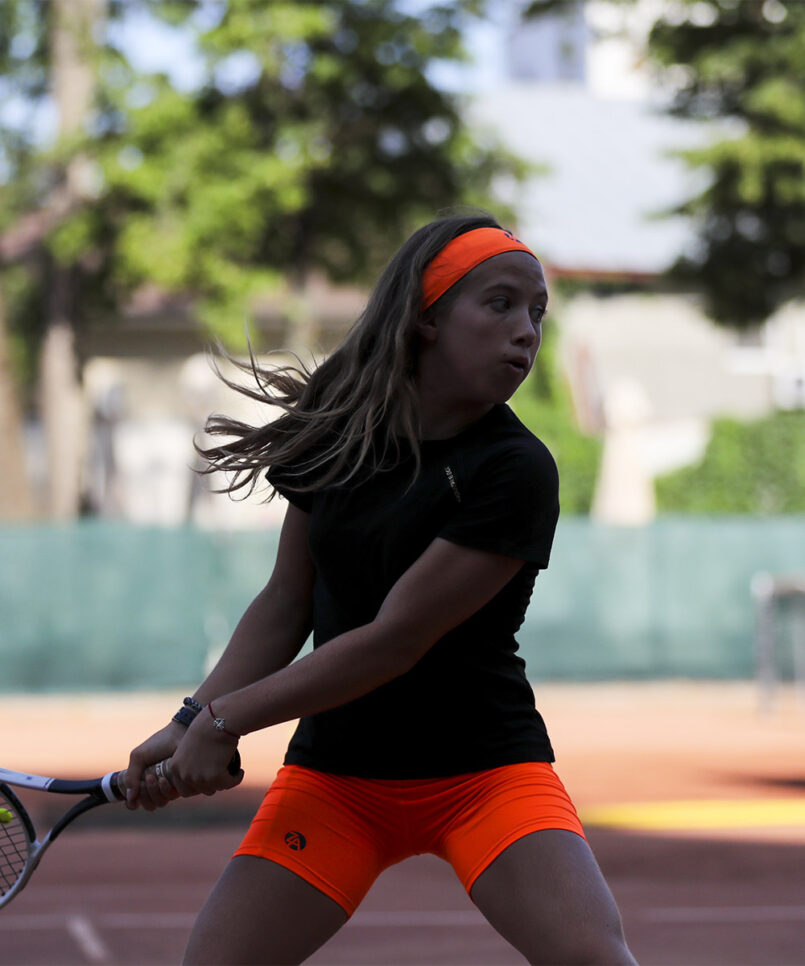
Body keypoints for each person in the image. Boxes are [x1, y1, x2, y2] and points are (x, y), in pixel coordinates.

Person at [125, 212, 637, 966]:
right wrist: (191, 716)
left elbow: (394, 642)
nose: (525, 330)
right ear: (425, 317)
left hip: (484, 774)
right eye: (498, 303)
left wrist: (225, 722)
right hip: (338, 780)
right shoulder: (334, 436)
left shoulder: (516, 469)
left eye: (535, 312)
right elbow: (284, 604)